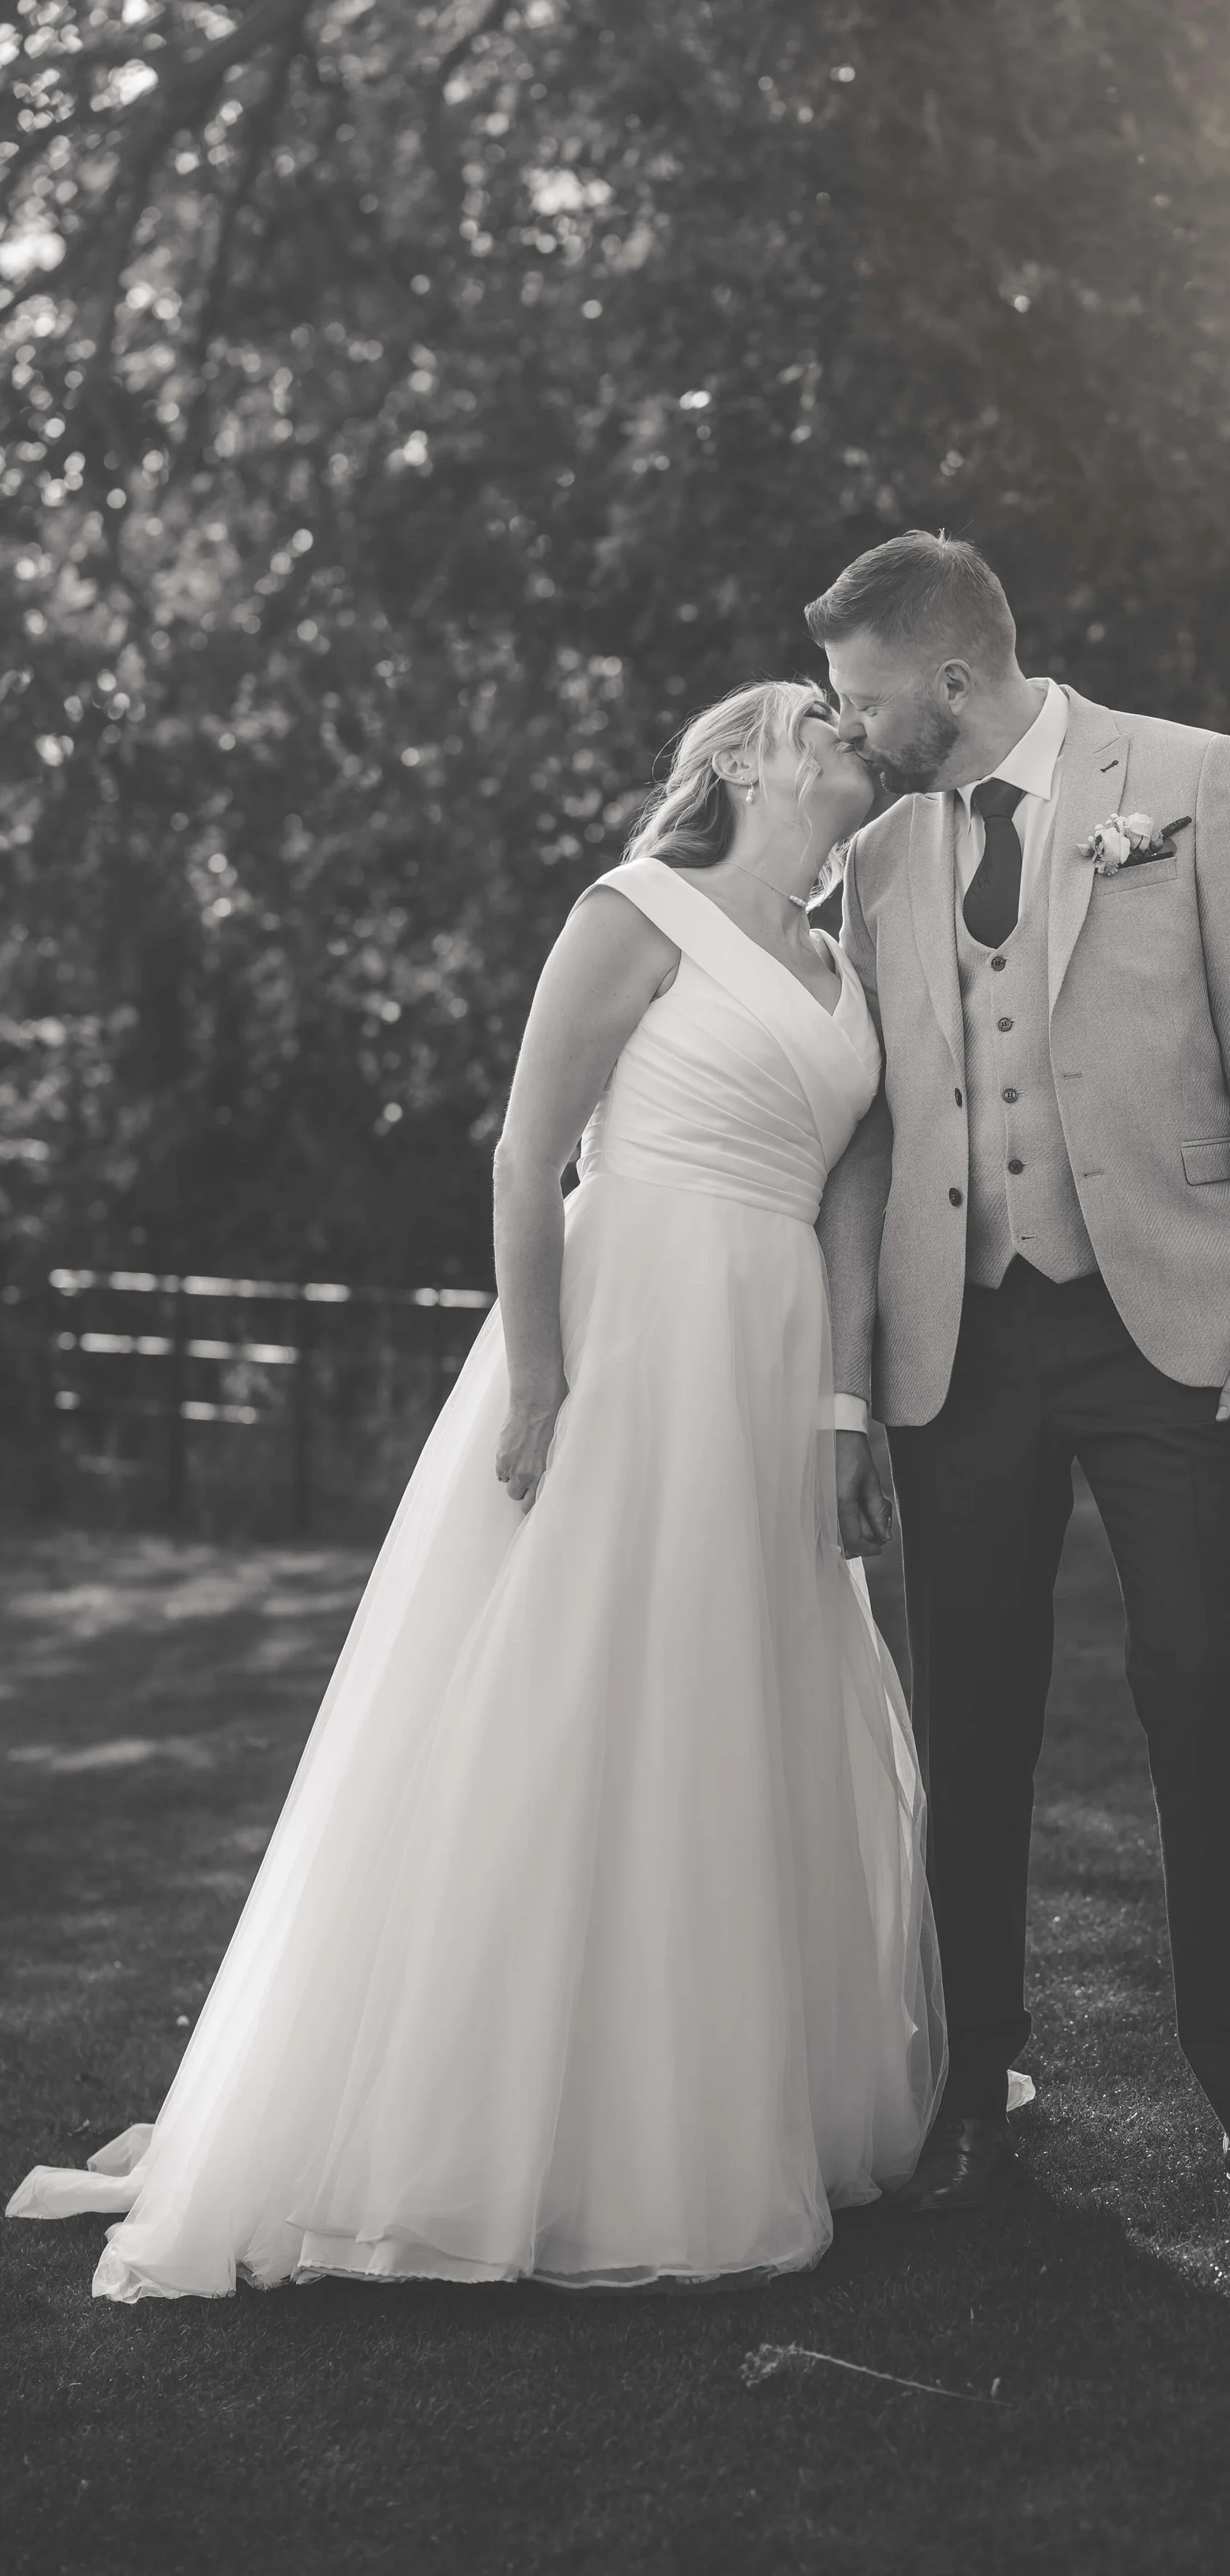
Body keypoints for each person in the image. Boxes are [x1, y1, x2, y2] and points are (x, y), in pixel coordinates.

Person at [9, 682, 944, 2298]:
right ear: (735, 757)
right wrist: (535, 1372)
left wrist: (845, 1400)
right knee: (575, 1692)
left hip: (772, 1355)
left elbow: (853, 1183)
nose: (846, 724)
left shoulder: (842, 958)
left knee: (738, 1703)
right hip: (632, 1327)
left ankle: (730, 2089)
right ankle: (511, 2124)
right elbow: (526, 1153)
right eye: (814, 711)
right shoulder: (632, 908)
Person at [808, 534, 1230, 2224]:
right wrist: (845, 1385)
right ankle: (974, 2091)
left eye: (860, 693)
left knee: (1201, 1695)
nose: (848, 725)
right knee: (968, 1725)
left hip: (1167, 1318)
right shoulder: (879, 854)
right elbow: (862, 1120)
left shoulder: (1186, 780)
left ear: (949, 678)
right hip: (956, 1340)